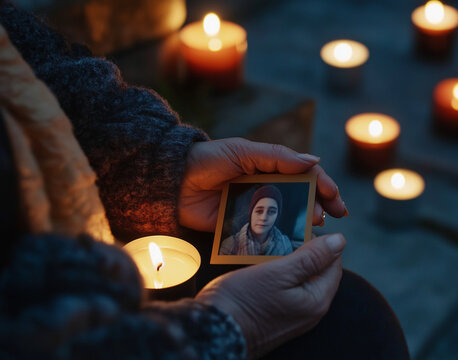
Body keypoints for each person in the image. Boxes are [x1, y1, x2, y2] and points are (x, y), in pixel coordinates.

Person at [0, 3, 410, 360]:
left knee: (352, 312)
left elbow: (38, 67)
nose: (263, 214)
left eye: (269, 208)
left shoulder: (265, 238)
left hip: (68, 231)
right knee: (357, 332)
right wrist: (225, 329)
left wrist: (161, 165)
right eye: (260, 207)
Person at [220, 185, 294, 256]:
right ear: (251, 212)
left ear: (277, 216)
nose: (264, 218)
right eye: (259, 211)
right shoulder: (229, 245)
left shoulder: (285, 244)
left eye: (272, 212)